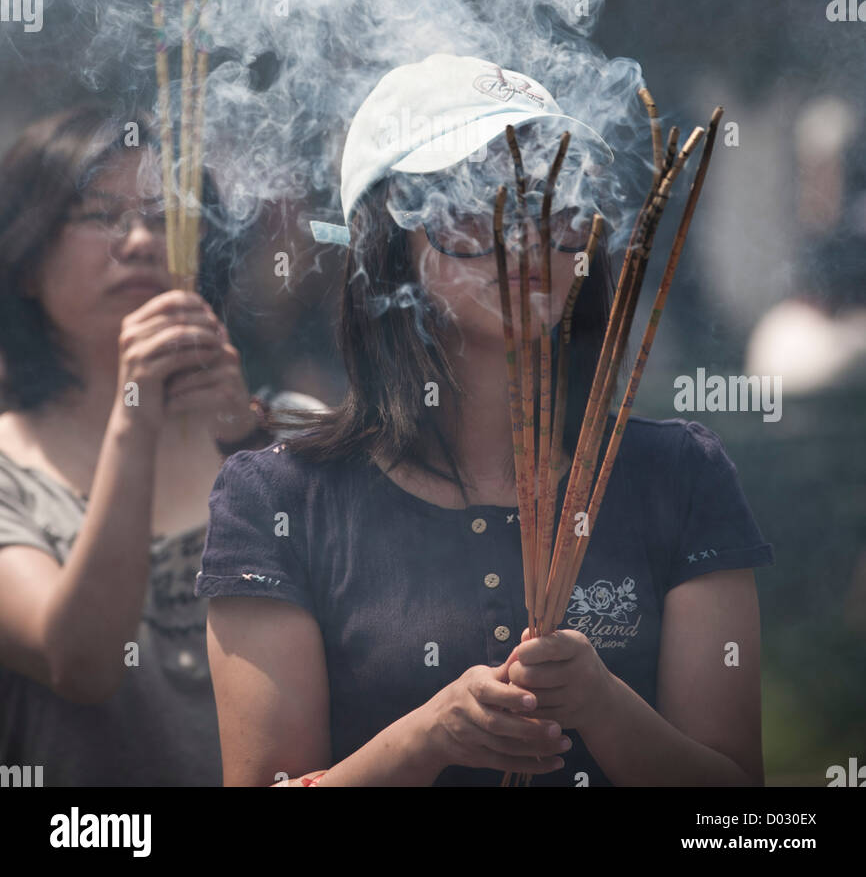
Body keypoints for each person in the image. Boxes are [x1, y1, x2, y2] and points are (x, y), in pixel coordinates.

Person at [199, 54, 774, 788]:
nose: (524, 233)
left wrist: (602, 705)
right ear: (386, 245)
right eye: (471, 207)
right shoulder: (279, 501)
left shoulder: (678, 476)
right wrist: (429, 739)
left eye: (554, 202)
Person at [0, 104, 275, 786]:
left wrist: (248, 438)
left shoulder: (274, 432)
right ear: (26, 260)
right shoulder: (9, 469)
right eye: (99, 215)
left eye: (165, 216)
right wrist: (135, 416)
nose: (141, 242)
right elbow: (81, 664)